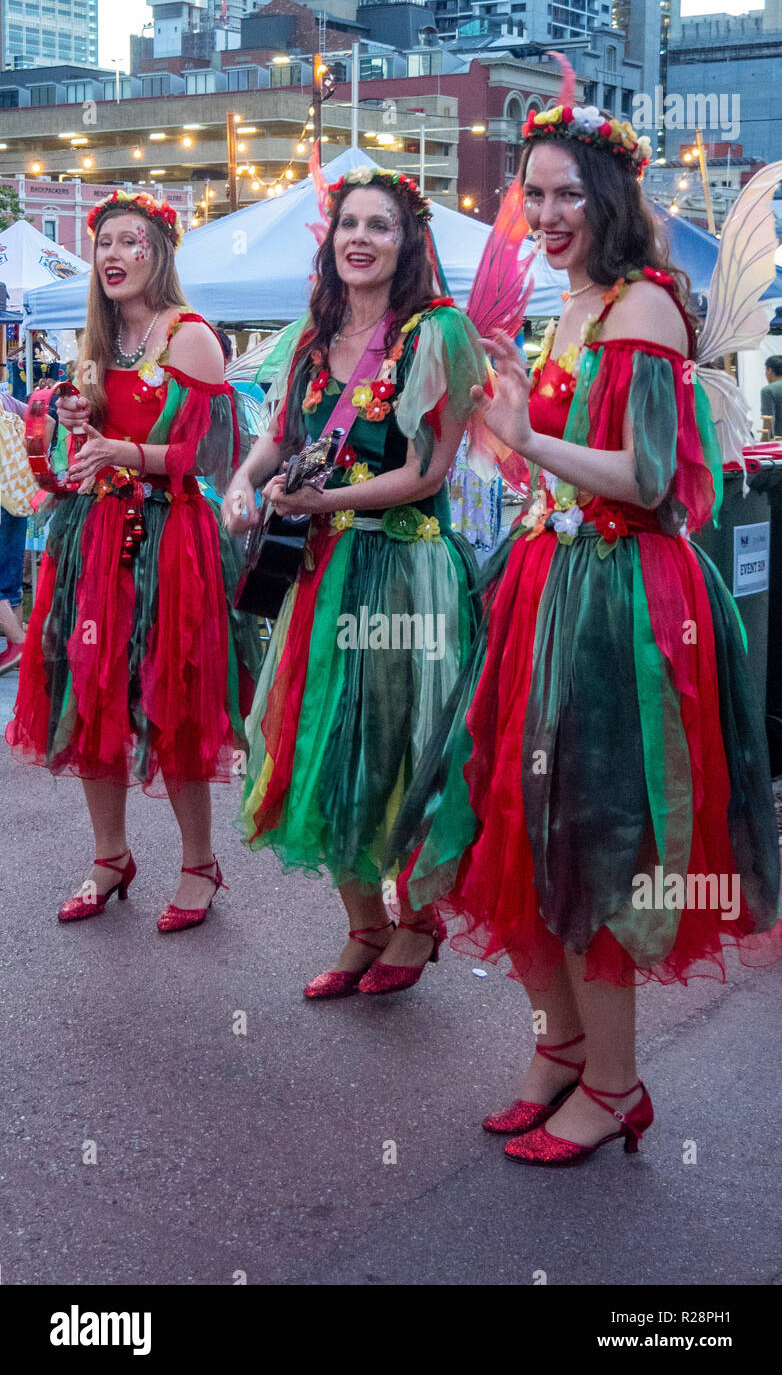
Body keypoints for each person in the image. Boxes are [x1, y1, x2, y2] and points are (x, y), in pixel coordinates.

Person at [386, 102, 782, 1165]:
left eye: (568, 193)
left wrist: (529, 442)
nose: (549, 213)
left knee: (589, 837)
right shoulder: (569, 306)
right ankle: (558, 1044)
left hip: (617, 605)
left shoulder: (642, 309)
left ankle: (613, 1084)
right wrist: (510, 443)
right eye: (535, 194)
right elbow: (556, 462)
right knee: (504, 826)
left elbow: (649, 484)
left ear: (609, 199)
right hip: (544, 586)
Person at [223, 167, 486, 998]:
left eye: (381, 226)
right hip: (320, 570)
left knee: (401, 750)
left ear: (410, 244)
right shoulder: (312, 332)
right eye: (348, 226)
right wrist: (242, 481)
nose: (360, 240)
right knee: (315, 746)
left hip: (405, 573)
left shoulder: (439, 333)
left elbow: (425, 470)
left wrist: (320, 498)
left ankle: (417, 923)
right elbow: (277, 433)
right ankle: (364, 925)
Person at [6, 190, 262, 932]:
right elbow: (81, 445)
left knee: (173, 696)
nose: (114, 255)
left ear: (160, 252)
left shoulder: (190, 336)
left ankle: (199, 864)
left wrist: (130, 453)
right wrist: (74, 421)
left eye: (131, 241)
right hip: (93, 534)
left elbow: (210, 455)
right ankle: (110, 855)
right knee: (91, 693)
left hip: (171, 535)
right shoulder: (99, 337)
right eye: (104, 243)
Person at [0, 384, 43, 674]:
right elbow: (46, 420)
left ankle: (18, 643)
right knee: (9, 578)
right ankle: (20, 655)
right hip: (15, 493)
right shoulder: (6, 400)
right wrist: (35, 462)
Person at [760, 355, 782, 438]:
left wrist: (763, 445)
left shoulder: (768, 390)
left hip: (778, 445)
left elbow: (768, 421)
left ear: (769, 370)